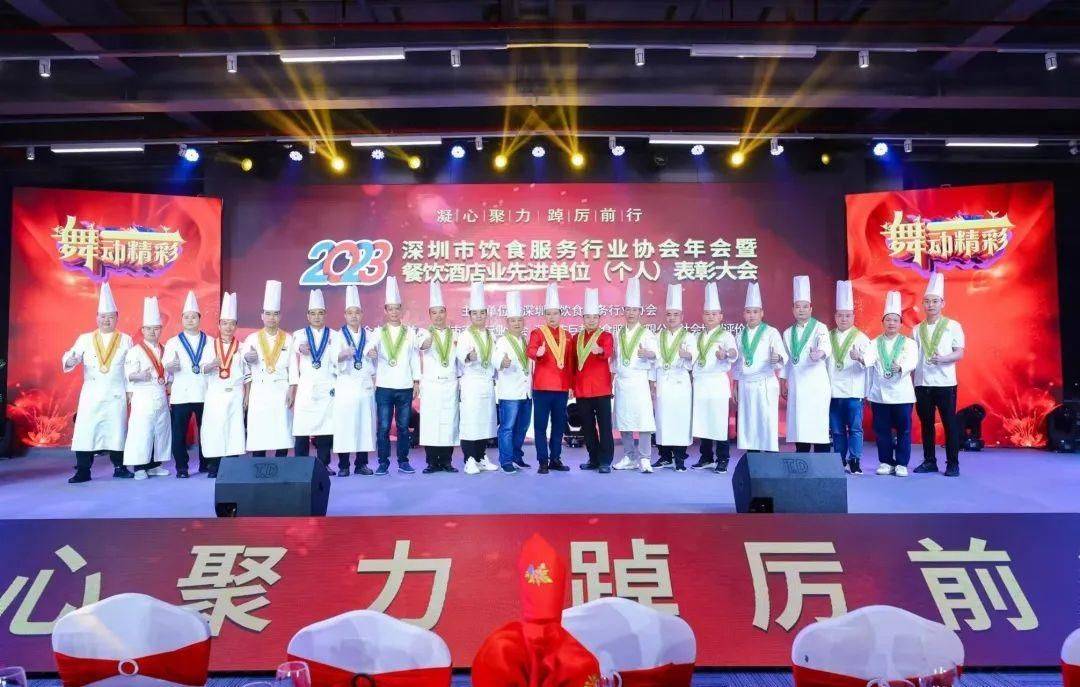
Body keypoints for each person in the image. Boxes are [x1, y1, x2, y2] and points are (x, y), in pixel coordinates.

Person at [62, 283, 134, 483]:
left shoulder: (125, 339)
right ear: (96, 318)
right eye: (102, 316)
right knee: (86, 431)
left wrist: (130, 392)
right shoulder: (85, 338)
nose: (106, 320)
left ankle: (120, 467)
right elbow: (71, 357)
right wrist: (70, 360)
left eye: (110, 316)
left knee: (117, 431)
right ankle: (83, 471)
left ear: (116, 317)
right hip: (91, 394)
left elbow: (130, 368)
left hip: (116, 393)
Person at [912, 273, 966, 477]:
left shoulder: (953, 326)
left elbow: (959, 352)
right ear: (923, 304)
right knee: (926, 424)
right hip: (922, 383)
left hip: (945, 383)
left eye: (935, 301)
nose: (931, 305)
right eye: (927, 301)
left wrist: (943, 359)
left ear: (942, 303)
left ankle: (953, 463)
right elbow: (913, 355)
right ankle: (929, 461)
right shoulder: (916, 329)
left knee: (949, 424)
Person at [370, 276, 420, 475]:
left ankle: (403, 461)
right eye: (390, 309)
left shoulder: (410, 333)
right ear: (385, 311)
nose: (393, 312)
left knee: (403, 427)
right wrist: (370, 352)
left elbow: (414, 357)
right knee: (383, 427)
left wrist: (416, 381)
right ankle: (383, 463)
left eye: (397, 308)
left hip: (405, 386)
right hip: (384, 386)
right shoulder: (378, 332)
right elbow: (368, 349)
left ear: (401, 310)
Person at [867, 291, 917, 477]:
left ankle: (902, 463)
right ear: (883, 322)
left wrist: (900, 367)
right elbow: (868, 359)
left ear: (901, 323)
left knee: (904, 430)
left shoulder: (909, 343)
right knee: (882, 431)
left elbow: (913, 361)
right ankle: (886, 462)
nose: (891, 323)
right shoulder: (874, 343)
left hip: (902, 394)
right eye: (888, 319)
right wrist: (859, 357)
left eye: (895, 320)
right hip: (880, 394)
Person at [611, 277, 658, 474]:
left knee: (643, 420)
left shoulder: (646, 333)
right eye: (628, 310)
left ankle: (645, 458)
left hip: (639, 382)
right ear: (624, 311)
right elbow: (615, 360)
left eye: (634, 310)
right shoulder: (618, 333)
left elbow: (656, 355)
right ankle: (629, 456)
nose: (631, 313)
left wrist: (647, 353)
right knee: (624, 421)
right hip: (622, 382)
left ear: (640, 312)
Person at [780, 275, 832, 452]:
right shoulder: (788, 333)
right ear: (793, 309)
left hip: (816, 383)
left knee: (817, 421)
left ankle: (822, 457)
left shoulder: (820, 327)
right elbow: (786, 359)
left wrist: (819, 353)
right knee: (798, 421)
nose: (801, 310)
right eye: (797, 306)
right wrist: (783, 381)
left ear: (810, 309)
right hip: (796, 382)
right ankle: (801, 454)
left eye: (804, 306)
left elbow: (825, 345)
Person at [243, 280, 294, 457]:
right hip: (260, 389)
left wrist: (292, 390)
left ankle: (281, 462)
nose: (272, 318)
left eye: (275, 314)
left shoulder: (288, 338)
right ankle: (258, 463)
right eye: (268, 314)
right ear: (262, 316)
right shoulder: (252, 338)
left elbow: (293, 368)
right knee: (259, 429)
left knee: (282, 428)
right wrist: (248, 358)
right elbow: (244, 366)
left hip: (281, 389)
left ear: (280, 317)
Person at [122, 296, 172, 480]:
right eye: (149, 328)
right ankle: (139, 467)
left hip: (160, 393)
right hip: (143, 394)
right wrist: (138, 376)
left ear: (161, 329)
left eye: (156, 328)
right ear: (142, 330)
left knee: (160, 429)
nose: (152, 332)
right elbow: (128, 374)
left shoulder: (165, 349)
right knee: (142, 431)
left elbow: (168, 374)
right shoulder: (134, 351)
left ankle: (155, 465)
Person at [163, 290, 211, 477]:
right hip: (181, 394)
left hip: (205, 393)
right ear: (182, 319)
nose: (190, 320)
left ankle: (206, 464)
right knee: (179, 433)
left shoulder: (210, 341)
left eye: (193, 317)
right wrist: (171, 366)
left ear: (199, 319)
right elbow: (166, 365)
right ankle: (181, 468)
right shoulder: (173, 342)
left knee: (206, 431)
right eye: (187, 317)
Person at [734, 282, 787, 453]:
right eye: (748, 312)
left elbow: (781, 356)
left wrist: (777, 358)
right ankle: (752, 455)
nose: (752, 315)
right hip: (745, 383)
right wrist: (735, 384)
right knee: (749, 421)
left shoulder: (771, 332)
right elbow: (737, 362)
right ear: (744, 314)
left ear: (762, 313)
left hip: (765, 382)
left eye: (755, 311)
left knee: (766, 420)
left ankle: (770, 455)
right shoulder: (740, 335)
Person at [527, 283, 574, 474]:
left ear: (560, 314)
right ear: (544, 315)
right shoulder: (538, 333)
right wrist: (537, 353)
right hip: (541, 388)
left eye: (555, 313)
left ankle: (555, 458)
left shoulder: (567, 335)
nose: (552, 317)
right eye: (548, 314)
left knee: (559, 425)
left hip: (561, 388)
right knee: (540, 426)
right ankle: (542, 461)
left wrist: (571, 386)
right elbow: (530, 350)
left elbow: (570, 363)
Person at [692, 282, 738, 473]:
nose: (710, 317)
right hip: (701, 383)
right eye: (707, 314)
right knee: (703, 421)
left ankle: (723, 458)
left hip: (717, 383)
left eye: (714, 314)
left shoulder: (726, 335)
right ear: (703, 316)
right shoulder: (697, 336)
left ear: (720, 316)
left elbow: (734, 352)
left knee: (718, 422)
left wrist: (725, 354)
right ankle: (706, 457)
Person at [200, 292, 247, 477]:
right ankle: (214, 466)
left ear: (236, 326)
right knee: (215, 428)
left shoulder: (242, 347)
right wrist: (212, 364)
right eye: (225, 323)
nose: (228, 327)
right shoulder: (210, 346)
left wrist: (247, 397)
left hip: (235, 392)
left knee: (234, 429)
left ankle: (232, 467)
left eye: (231, 323)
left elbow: (248, 376)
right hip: (215, 393)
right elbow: (202, 369)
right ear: (219, 325)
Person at [331, 285, 377, 477]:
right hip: (346, 386)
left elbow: (375, 359)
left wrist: (374, 355)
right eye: (350, 313)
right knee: (345, 426)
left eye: (357, 312)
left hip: (364, 386)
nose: (354, 316)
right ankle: (343, 465)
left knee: (364, 425)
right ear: (345, 315)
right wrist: (343, 354)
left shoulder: (370, 335)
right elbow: (332, 359)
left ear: (362, 314)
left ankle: (361, 464)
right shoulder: (337, 335)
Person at [290, 289, 337, 470]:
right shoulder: (299, 334)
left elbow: (337, 359)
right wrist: (301, 348)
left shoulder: (334, 335)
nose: (317, 317)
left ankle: (323, 465)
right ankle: (301, 465)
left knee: (325, 428)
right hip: (307, 387)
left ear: (325, 314)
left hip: (327, 386)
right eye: (313, 313)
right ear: (308, 316)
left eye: (320, 313)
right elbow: (297, 346)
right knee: (302, 427)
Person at [416, 281, 460, 474]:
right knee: (432, 423)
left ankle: (447, 461)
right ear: (430, 315)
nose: (438, 316)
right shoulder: (423, 332)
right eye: (434, 313)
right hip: (432, 385)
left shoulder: (455, 334)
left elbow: (460, 358)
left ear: (445, 312)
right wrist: (429, 340)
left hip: (450, 384)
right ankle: (432, 462)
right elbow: (422, 346)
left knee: (449, 422)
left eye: (441, 312)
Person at [457, 281, 500, 475]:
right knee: (471, 422)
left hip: (487, 383)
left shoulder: (491, 335)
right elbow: (460, 355)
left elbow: (495, 357)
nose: (479, 316)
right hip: (471, 383)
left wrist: (502, 364)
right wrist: (469, 356)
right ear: (470, 315)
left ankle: (481, 457)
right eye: (475, 313)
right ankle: (469, 459)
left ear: (486, 314)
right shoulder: (465, 335)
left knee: (485, 422)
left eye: (482, 313)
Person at [652, 284, 696, 472]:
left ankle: (679, 459)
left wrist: (688, 355)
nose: (672, 318)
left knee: (680, 420)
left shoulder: (689, 336)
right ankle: (664, 456)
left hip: (680, 382)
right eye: (669, 314)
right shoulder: (658, 336)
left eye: (675, 315)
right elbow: (653, 360)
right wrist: (652, 382)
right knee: (662, 420)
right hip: (663, 381)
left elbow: (695, 358)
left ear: (682, 317)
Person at [829, 281, 871, 475]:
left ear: (853, 317)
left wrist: (859, 357)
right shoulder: (827, 336)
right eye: (840, 315)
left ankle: (855, 460)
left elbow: (870, 363)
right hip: (833, 391)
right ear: (835, 317)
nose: (844, 319)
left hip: (854, 391)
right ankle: (839, 460)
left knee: (855, 429)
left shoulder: (862, 338)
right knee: (837, 430)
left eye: (847, 315)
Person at [574, 288, 615, 473]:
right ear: (583, 318)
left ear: (599, 318)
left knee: (605, 426)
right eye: (588, 317)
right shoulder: (577, 338)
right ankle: (593, 458)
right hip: (582, 389)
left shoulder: (605, 336)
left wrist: (601, 351)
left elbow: (609, 351)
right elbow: (572, 363)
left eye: (594, 317)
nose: (591, 320)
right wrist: (571, 386)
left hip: (601, 389)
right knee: (588, 427)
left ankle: (605, 461)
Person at [493, 290, 532, 473]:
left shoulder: (525, 341)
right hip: (509, 393)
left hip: (526, 392)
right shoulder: (502, 341)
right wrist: (502, 362)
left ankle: (517, 456)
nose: (516, 323)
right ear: (507, 323)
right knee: (507, 428)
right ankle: (506, 461)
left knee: (522, 427)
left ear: (523, 322)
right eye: (513, 321)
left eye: (519, 320)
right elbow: (496, 358)